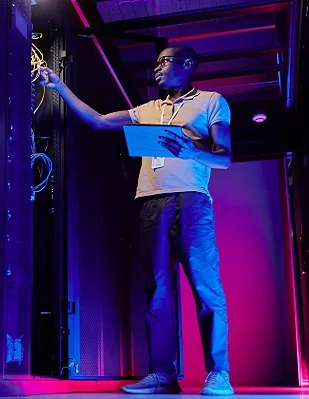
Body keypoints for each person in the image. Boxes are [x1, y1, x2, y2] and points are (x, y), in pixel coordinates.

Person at [39, 46, 234, 396]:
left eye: (165, 61)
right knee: (157, 290)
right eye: (156, 62)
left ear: (187, 64)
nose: (157, 68)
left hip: (191, 200)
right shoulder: (148, 110)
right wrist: (58, 86)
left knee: (206, 287)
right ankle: (162, 375)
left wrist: (191, 151)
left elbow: (225, 158)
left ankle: (218, 373)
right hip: (150, 202)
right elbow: (98, 121)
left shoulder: (211, 101)